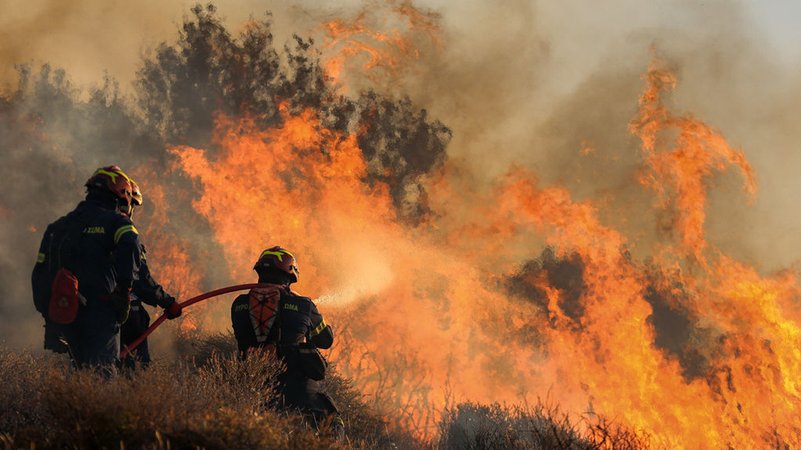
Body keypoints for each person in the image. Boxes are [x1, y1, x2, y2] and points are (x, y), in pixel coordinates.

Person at [32, 166, 141, 375]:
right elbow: (132, 244)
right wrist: (124, 289)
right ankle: (94, 407)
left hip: (65, 314)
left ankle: (76, 406)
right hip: (100, 313)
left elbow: (39, 274)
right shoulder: (116, 222)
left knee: (77, 375)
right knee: (102, 375)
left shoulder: (58, 226)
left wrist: (49, 313)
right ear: (119, 195)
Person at [231, 246, 344, 438]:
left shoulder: (239, 304)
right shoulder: (304, 305)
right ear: (290, 276)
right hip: (299, 389)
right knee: (333, 424)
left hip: (252, 389)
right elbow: (326, 339)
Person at [120, 180, 182, 369]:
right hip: (124, 313)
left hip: (86, 313)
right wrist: (168, 303)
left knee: (92, 367)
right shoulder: (124, 233)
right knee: (134, 370)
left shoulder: (82, 229)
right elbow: (140, 280)